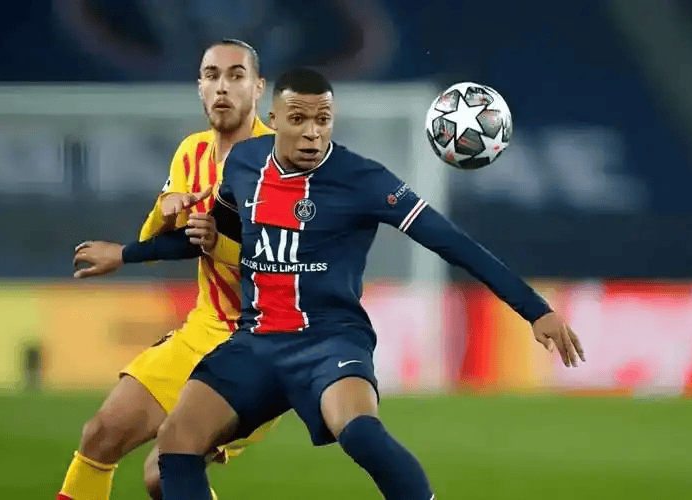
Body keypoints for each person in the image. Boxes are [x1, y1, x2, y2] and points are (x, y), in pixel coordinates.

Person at [128, 67, 585, 500]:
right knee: (176, 441)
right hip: (256, 341)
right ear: (273, 120)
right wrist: (133, 251)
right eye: (299, 119)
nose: (312, 132)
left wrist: (535, 310)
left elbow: (454, 243)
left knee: (360, 432)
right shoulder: (244, 163)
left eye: (323, 120)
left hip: (329, 340)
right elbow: (215, 233)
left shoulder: (363, 179)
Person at [59, 39, 277, 500]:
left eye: (236, 75)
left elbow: (283, 260)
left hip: (266, 346)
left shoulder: (279, 162)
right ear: (200, 87)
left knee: (165, 470)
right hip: (205, 328)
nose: (223, 87)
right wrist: (167, 206)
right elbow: (160, 236)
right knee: (101, 434)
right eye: (212, 75)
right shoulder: (191, 152)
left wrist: (127, 254)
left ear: (259, 87)